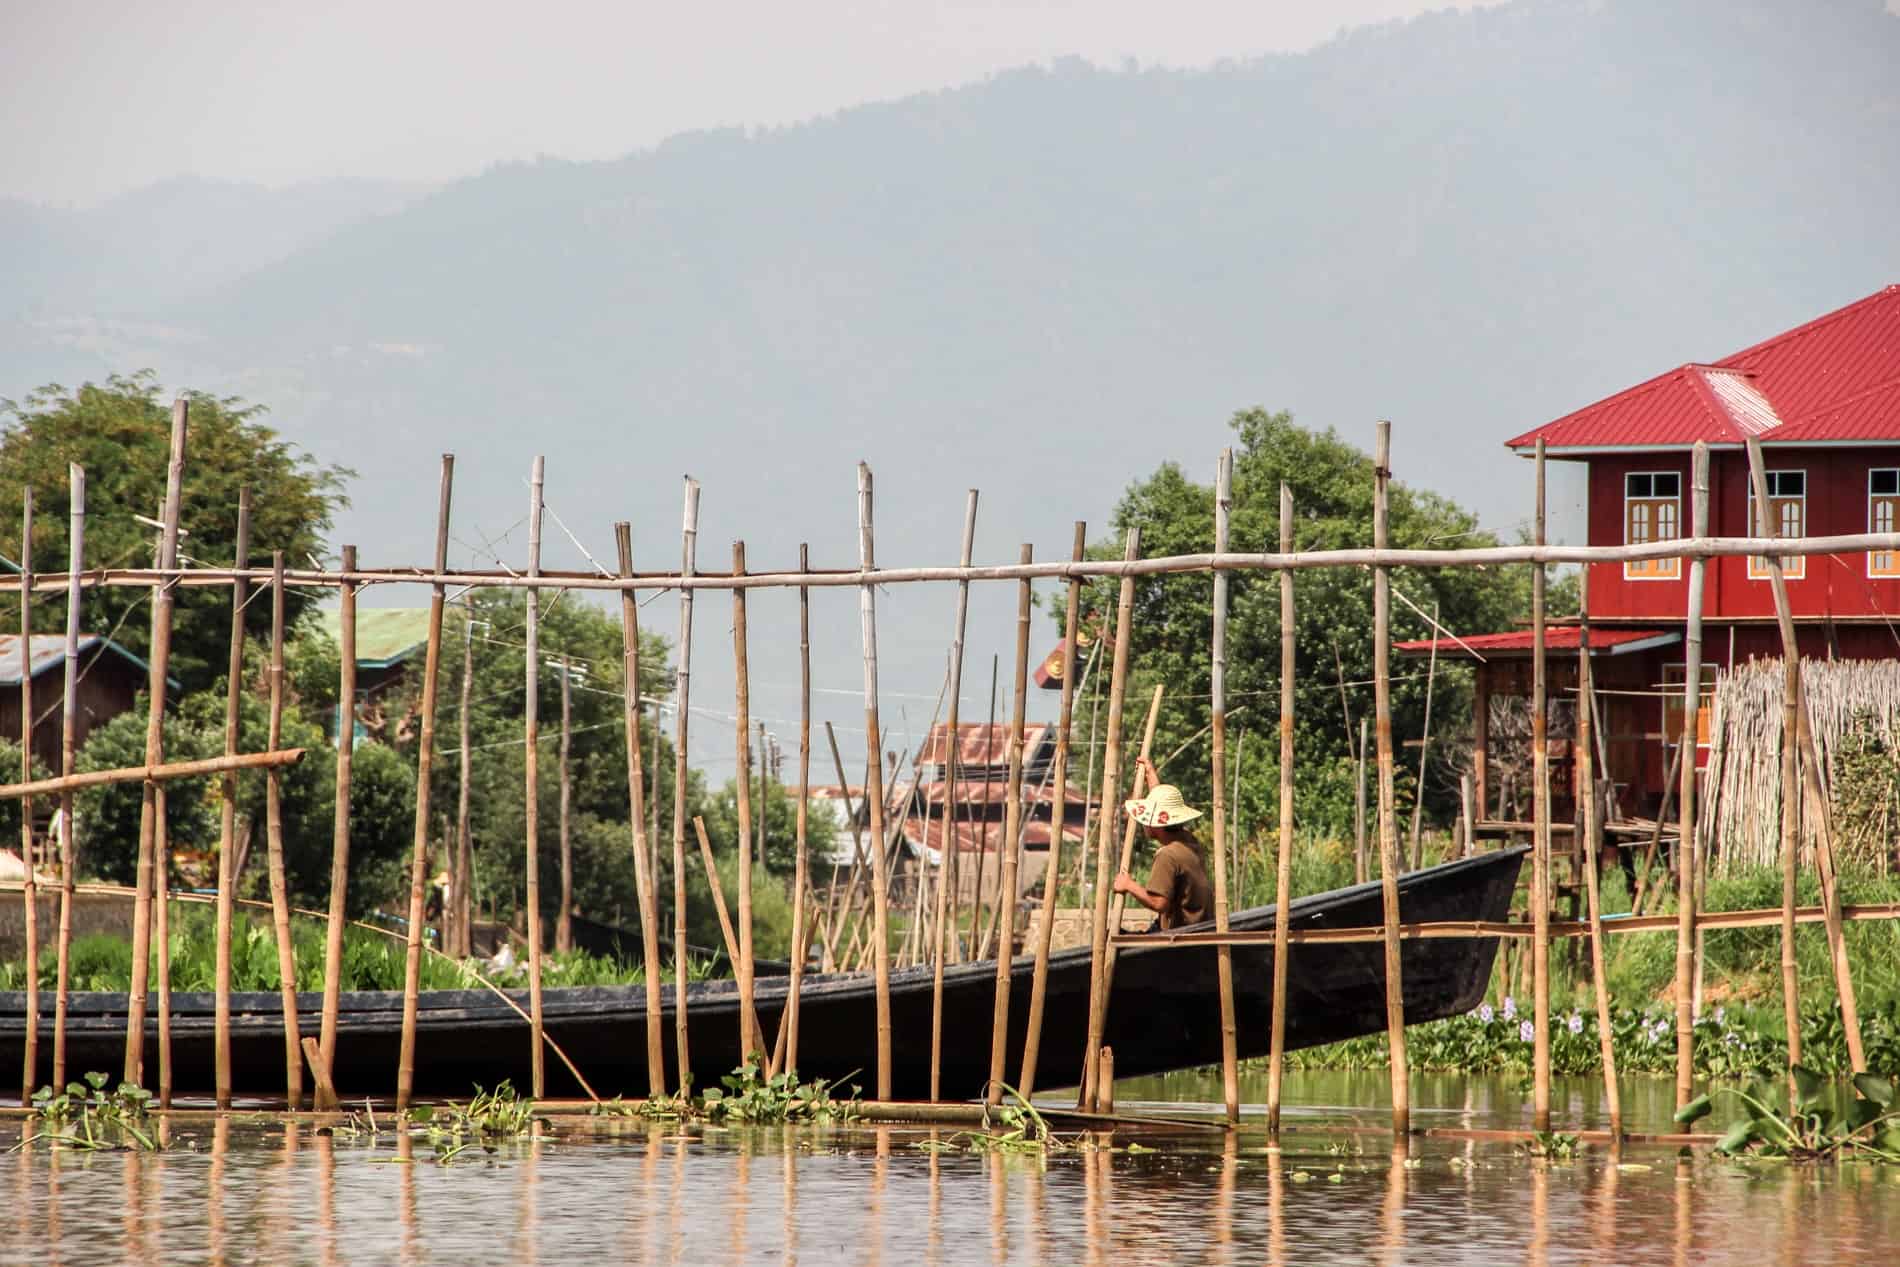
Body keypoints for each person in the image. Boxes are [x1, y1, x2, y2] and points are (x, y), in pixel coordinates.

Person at [1111, 758, 1213, 931]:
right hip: (1199, 928)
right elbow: (1162, 810)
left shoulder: (1168, 855)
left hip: (1180, 935)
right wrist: (1151, 775)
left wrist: (1129, 885)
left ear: (1154, 825)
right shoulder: (1189, 841)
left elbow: (1159, 903)